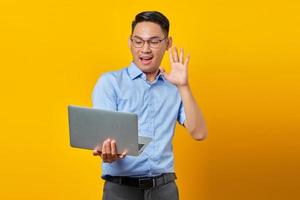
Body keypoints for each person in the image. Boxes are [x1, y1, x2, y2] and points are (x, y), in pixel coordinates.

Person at [92, 11, 208, 200]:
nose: (145, 49)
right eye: (138, 41)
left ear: (168, 43)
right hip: (121, 190)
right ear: (130, 42)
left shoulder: (174, 87)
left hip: (165, 190)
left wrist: (183, 86)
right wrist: (107, 152)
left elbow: (199, 133)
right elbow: (104, 137)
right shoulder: (110, 82)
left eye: (154, 42)